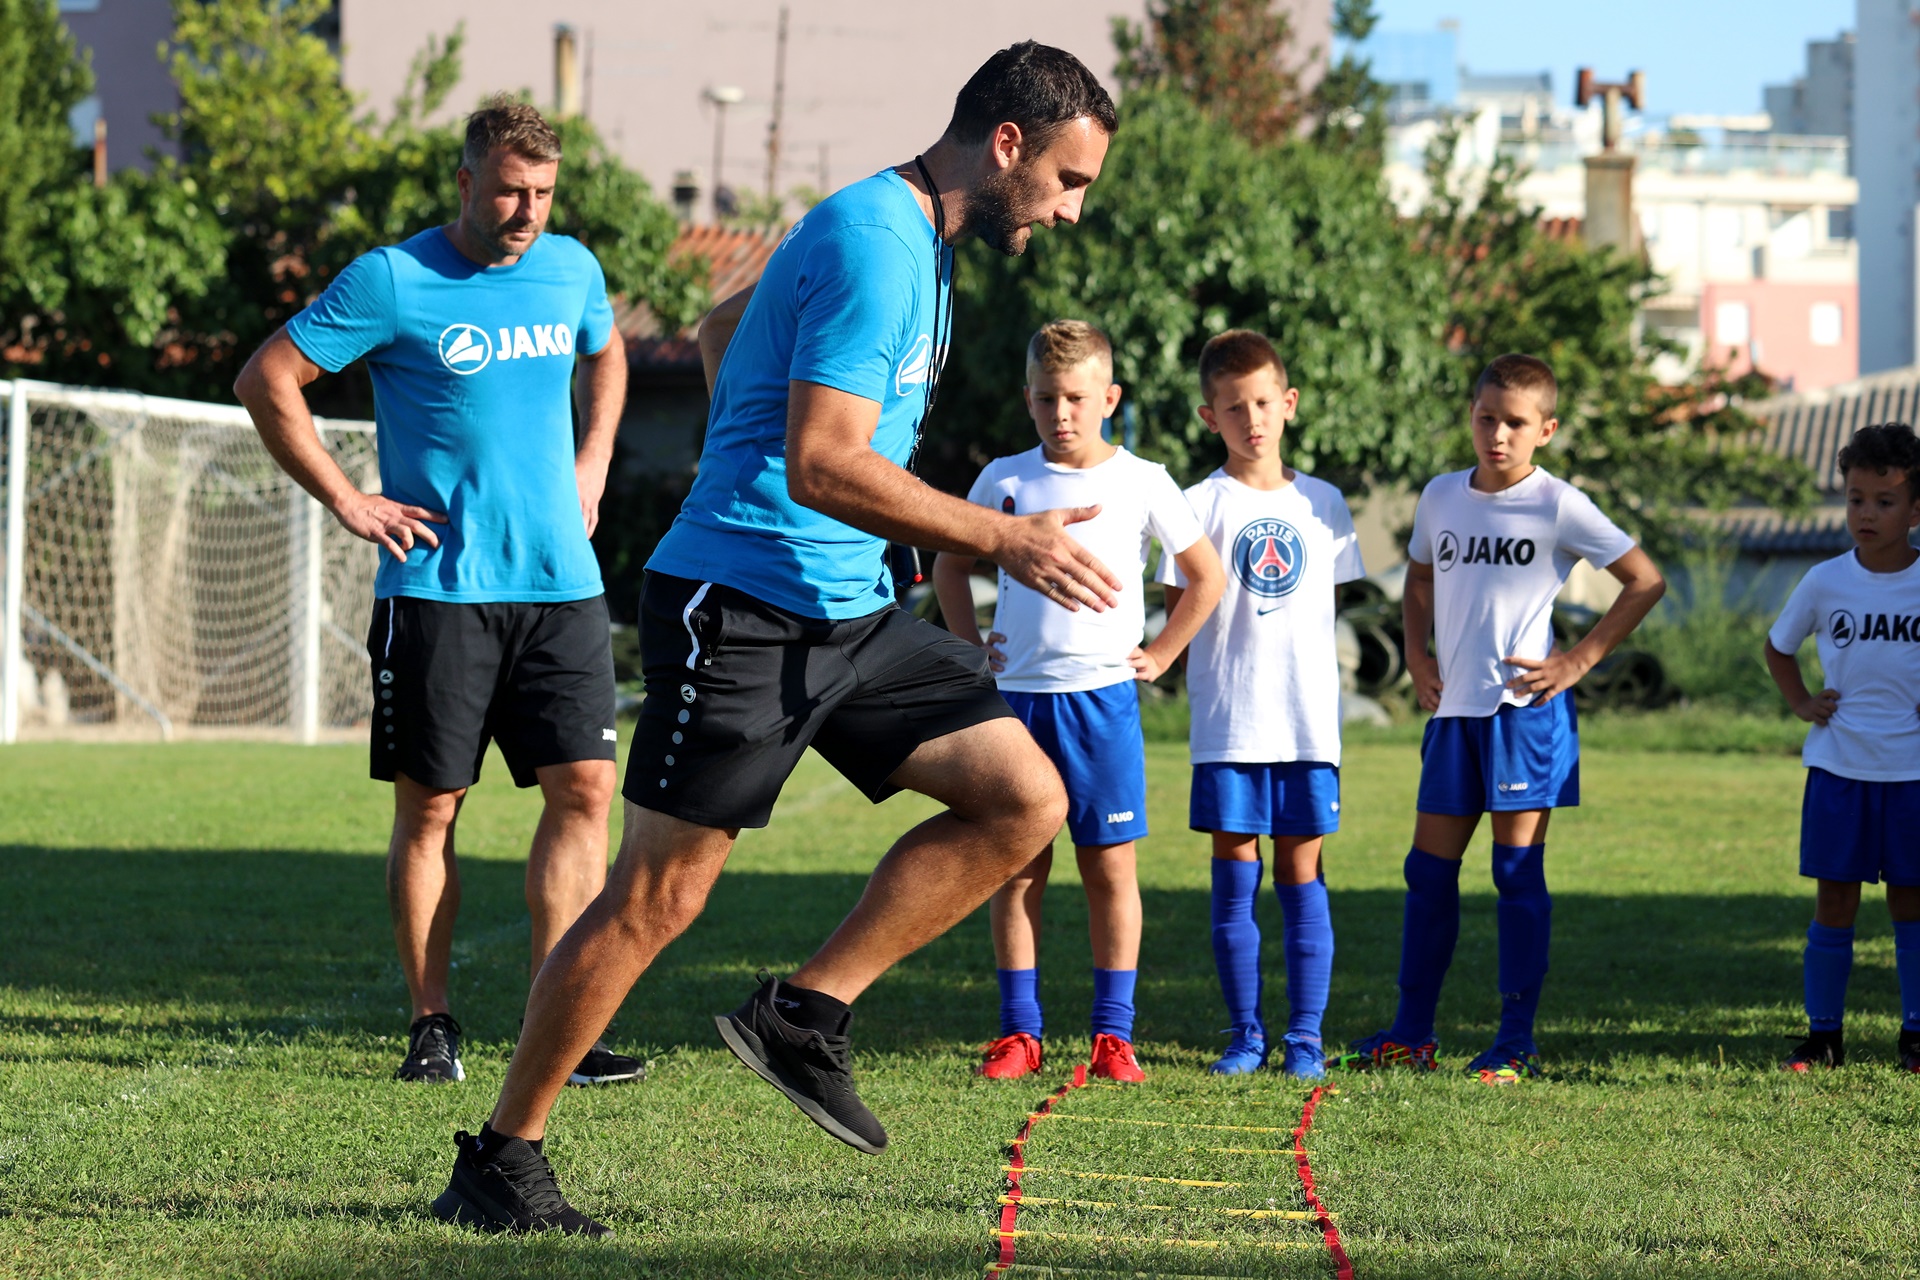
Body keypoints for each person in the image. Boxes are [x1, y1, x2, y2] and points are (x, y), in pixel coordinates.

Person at [429, 42, 1122, 1237]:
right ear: (1008, 143)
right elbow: (820, 459)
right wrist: (1002, 543)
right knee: (655, 896)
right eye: (1068, 179)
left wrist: (755, 430)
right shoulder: (874, 240)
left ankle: (805, 1014)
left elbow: (720, 328)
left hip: (847, 606)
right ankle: (501, 1156)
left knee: (1023, 798)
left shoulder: (904, 240)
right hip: (740, 608)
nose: (1068, 210)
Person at [234, 100, 640, 1090]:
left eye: (541, 193)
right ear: (466, 182)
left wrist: (595, 457)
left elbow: (608, 349)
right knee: (432, 808)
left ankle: (560, 1019)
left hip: (562, 584)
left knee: (585, 792)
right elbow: (267, 378)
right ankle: (431, 1025)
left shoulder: (572, 267)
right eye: (508, 190)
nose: (526, 210)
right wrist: (346, 497)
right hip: (439, 589)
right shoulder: (393, 278)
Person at [1347, 353, 1666, 1084]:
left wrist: (1578, 662)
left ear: (1545, 429)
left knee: (1516, 874)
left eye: (1515, 423)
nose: (1497, 434)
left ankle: (1515, 1041)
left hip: (1524, 718)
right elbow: (1420, 580)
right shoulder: (1439, 497)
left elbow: (1644, 582)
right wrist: (1419, 660)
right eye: (1487, 417)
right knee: (1427, 874)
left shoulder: (1559, 504)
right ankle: (1412, 1033)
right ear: (1472, 415)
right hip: (1454, 714)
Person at [932, 320, 1223, 1085]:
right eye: (1045, 399)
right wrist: (970, 647)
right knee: (1017, 869)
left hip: (1101, 705)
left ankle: (1112, 1038)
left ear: (1109, 397)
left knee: (1109, 871)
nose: (1060, 414)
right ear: (1026, 399)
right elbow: (949, 566)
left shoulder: (1144, 480)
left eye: (1075, 398)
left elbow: (1206, 578)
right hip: (1016, 704)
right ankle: (1019, 1034)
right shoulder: (1002, 478)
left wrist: (1160, 654)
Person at [1156, 331, 1364, 1080]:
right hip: (1229, 726)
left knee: (1302, 877)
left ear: (1289, 405)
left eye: (1265, 403)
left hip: (1307, 728)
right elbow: (1181, 607)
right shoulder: (1194, 505)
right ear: (1210, 416)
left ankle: (1304, 1038)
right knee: (1235, 879)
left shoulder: (1325, 504)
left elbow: (1323, 610)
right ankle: (1245, 1035)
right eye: (1234, 407)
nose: (1253, 419)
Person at [1763, 422, 1920, 1074]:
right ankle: (1822, 1036)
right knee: (1836, 902)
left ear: (1916, 510)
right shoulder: (1825, 581)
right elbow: (1778, 646)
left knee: (1911, 903)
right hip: (1838, 767)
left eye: (1884, 502)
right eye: (1856, 499)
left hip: (1912, 773)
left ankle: (1915, 1037)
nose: (1867, 514)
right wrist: (1801, 702)